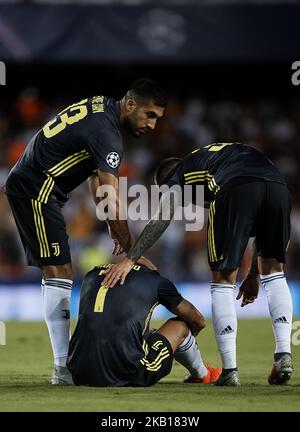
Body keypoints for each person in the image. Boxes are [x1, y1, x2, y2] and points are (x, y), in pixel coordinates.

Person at [4, 78, 166, 384]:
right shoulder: (108, 133)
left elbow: (95, 178)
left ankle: (64, 366)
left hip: (38, 188)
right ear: (130, 105)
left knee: (59, 271)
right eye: (150, 115)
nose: (152, 125)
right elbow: (111, 194)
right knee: (59, 272)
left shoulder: (102, 108)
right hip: (36, 189)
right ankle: (63, 370)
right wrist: (133, 253)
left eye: (156, 118)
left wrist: (109, 221)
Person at [102, 142, 293, 386]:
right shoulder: (209, 160)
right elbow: (257, 227)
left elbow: (161, 219)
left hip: (235, 188)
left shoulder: (177, 175)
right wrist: (254, 276)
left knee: (223, 281)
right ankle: (283, 354)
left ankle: (229, 371)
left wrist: (131, 258)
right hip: (278, 186)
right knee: (275, 273)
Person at [67, 264, 222, 387]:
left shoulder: (92, 274)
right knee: (181, 325)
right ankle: (202, 374)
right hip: (127, 372)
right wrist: (187, 339)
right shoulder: (155, 280)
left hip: (79, 371)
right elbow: (198, 321)